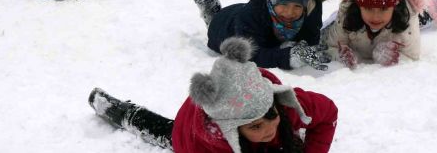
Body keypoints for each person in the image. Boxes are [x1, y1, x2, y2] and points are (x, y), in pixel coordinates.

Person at [89, 37, 338, 153]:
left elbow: (328, 114)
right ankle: (119, 111)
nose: (268, 128)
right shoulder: (206, 144)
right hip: (189, 133)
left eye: (270, 115)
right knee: (166, 133)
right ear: (233, 130)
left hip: (231, 98)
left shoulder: (283, 104)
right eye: (255, 126)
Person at [175, 0, 332, 71]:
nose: (290, 12)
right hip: (225, 27)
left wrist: (304, 47)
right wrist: (287, 57)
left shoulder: (312, 8)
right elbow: (249, 54)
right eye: (283, 4)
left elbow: (310, 38)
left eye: (297, 6)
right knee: (214, 17)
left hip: (244, 17)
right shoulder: (252, 14)